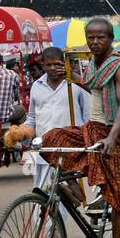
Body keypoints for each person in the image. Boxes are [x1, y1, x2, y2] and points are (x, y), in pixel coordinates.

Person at [42, 18, 120, 238]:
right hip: (93, 129)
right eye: (91, 37)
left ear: (110, 40)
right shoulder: (94, 66)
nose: (95, 41)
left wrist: (111, 137)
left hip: (117, 136)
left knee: (117, 193)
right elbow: (92, 86)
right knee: (51, 139)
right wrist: (69, 75)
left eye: (100, 37)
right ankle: (75, 189)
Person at [20, 47, 89, 189]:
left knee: (70, 194)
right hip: (44, 148)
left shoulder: (76, 85)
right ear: (43, 65)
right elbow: (32, 117)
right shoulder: (36, 86)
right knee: (42, 192)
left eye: (57, 64)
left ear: (64, 63)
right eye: (48, 65)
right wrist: (22, 132)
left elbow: (88, 116)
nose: (52, 68)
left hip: (71, 147)